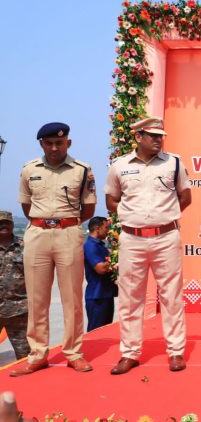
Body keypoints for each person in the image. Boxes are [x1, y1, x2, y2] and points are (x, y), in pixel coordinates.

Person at [104, 116, 192, 374]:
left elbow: (185, 197)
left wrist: (163, 217)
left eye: (160, 136)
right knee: (130, 298)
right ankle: (129, 353)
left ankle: (176, 351)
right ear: (138, 137)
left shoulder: (174, 163)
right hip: (132, 239)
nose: (158, 140)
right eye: (153, 136)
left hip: (166, 237)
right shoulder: (119, 166)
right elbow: (111, 200)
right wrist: (133, 216)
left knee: (171, 296)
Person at [12, 122, 96, 377]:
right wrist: (45, 222)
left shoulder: (82, 170)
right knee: (36, 299)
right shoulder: (29, 169)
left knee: (72, 298)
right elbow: (26, 206)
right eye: (49, 143)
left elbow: (88, 208)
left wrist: (64, 224)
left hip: (68, 233)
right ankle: (38, 354)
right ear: (41, 144)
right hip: (37, 234)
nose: (54, 147)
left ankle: (74, 353)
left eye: (59, 143)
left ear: (68, 143)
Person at [0, 211, 30, 361]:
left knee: (25, 355)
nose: (3, 225)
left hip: (19, 310)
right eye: (0, 223)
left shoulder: (26, 246)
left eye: (7, 222)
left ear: (12, 224)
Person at [83, 216, 118, 331]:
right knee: (96, 331)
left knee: (106, 331)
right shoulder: (90, 246)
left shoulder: (100, 246)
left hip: (105, 294)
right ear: (97, 228)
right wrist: (116, 260)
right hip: (97, 296)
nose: (108, 230)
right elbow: (100, 268)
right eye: (106, 227)